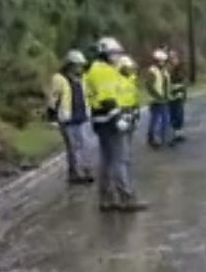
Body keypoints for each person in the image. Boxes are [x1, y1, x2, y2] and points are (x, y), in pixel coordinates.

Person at [84, 37, 147, 212]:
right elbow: (107, 98)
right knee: (121, 159)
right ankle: (126, 197)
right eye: (113, 53)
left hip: (107, 120)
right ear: (104, 53)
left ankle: (107, 197)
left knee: (108, 160)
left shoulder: (108, 69)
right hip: (110, 120)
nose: (116, 56)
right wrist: (119, 117)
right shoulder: (101, 70)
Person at [47, 49, 94, 184]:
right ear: (70, 65)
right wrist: (52, 115)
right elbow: (52, 97)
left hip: (82, 116)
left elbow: (86, 95)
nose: (79, 68)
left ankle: (86, 170)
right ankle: (75, 173)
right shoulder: (59, 79)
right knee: (73, 147)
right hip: (67, 118)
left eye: (80, 65)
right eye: (77, 65)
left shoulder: (82, 78)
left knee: (85, 145)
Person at [144, 48, 172, 148]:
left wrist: (168, 94)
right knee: (158, 119)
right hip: (156, 100)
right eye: (160, 60)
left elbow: (167, 84)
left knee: (161, 119)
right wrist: (157, 96)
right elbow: (148, 86)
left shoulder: (164, 71)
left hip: (164, 98)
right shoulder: (152, 71)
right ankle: (155, 138)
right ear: (156, 60)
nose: (162, 62)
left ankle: (158, 138)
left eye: (163, 60)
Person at [167, 49, 187, 144]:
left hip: (179, 96)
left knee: (179, 116)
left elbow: (183, 83)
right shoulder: (168, 70)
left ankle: (177, 134)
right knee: (172, 116)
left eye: (175, 57)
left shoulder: (180, 69)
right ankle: (171, 136)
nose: (175, 59)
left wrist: (184, 95)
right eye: (172, 58)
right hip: (171, 96)